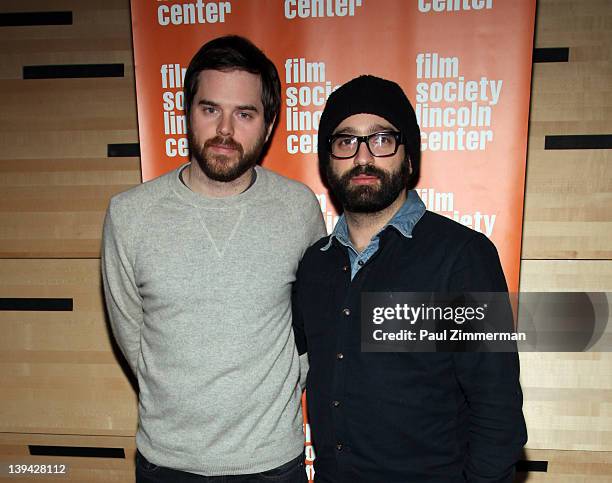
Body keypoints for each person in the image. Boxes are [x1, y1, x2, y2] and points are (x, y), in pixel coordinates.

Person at [102, 35, 325, 482]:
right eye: (210, 109)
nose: (225, 130)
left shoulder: (298, 209)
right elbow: (133, 338)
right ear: (187, 112)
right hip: (167, 463)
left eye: (244, 113)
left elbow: (311, 327)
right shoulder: (129, 215)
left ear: (268, 124)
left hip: (271, 464)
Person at [293, 75, 527, 482]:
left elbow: (497, 414)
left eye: (382, 139)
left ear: (410, 156)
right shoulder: (314, 266)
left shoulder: (462, 256)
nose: (362, 157)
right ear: (327, 161)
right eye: (345, 141)